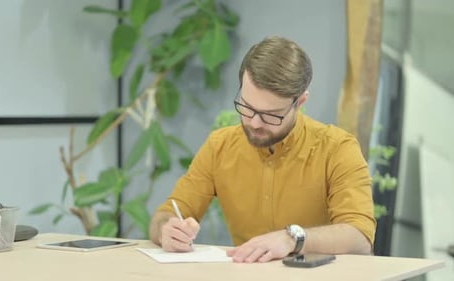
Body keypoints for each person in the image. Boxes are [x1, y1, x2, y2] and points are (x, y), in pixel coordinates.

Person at [149, 36, 376, 263]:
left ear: (300, 102)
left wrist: (292, 239)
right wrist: (167, 230)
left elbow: (360, 237)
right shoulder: (220, 146)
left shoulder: (337, 149)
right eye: (247, 107)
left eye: (271, 115)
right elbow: (167, 213)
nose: (255, 123)